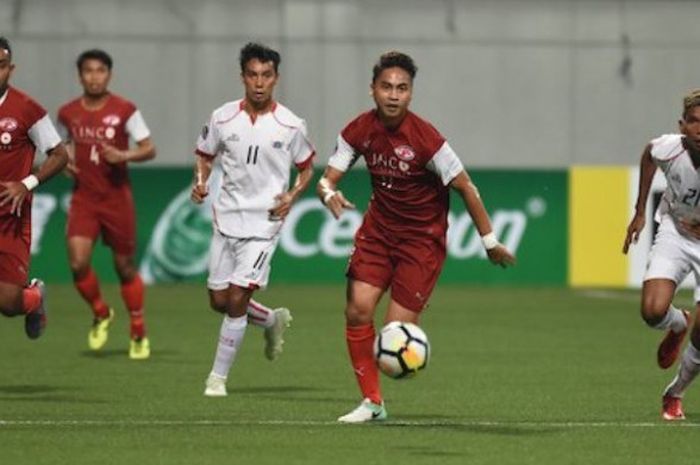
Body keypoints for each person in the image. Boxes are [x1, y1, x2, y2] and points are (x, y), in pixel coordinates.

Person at [318, 51, 516, 423]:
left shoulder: (427, 140)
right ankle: (372, 403)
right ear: (373, 90)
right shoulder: (358, 130)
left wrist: (489, 242)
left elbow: (466, 187)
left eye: (402, 88)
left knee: (395, 333)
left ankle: (401, 355)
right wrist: (329, 194)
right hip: (377, 233)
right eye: (386, 87)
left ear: (411, 94)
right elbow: (327, 178)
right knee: (357, 309)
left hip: (420, 242)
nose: (393, 95)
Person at [192, 42, 315, 397]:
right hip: (226, 220)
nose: (259, 83)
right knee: (218, 301)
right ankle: (271, 319)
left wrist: (291, 196)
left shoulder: (290, 125)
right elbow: (204, 155)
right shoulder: (221, 118)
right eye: (252, 75)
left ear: (276, 78)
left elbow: (306, 168)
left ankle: (217, 378)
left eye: (266, 75)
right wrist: (201, 183)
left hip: (264, 225)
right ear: (242, 77)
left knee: (235, 299)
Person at [56, 49, 156, 360]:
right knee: (77, 263)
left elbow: (149, 148)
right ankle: (101, 311)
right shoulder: (67, 113)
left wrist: (123, 155)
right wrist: (62, 163)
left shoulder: (125, 109)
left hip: (116, 198)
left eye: (100, 71)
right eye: (88, 71)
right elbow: (58, 149)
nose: (94, 76)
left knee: (124, 268)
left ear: (109, 75)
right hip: (84, 197)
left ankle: (138, 330)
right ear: (80, 75)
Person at [623, 89, 700, 421]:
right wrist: (640, 211)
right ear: (682, 126)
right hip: (675, 231)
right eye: (695, 122)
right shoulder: (668, 148)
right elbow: (648, 156)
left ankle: (675, 392)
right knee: (652, 311)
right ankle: (678, 322)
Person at [0, 37, 69, 338]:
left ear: (10, 69)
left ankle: (33, 298)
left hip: (9, 219)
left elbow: (60, 154)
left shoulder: (27, 109)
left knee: (8, 304)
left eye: (0, 66)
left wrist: (26, 184)